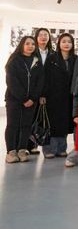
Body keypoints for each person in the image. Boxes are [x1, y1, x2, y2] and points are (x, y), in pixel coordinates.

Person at [5, 36, 45, 164]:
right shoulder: (14, 60)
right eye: (27, 43)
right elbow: (12, 81)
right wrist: (23, 98)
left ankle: (22, 150)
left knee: (26, 125)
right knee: (13, 125)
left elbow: (40, 82)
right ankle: (11, 152)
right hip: (14, 99)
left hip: (32, 101)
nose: (30, 46)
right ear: (22, 45)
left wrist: (33, 98)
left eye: (33, 44)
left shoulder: (37, 62)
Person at [42, 33, 76, 159]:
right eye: (64, 41)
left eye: (69, 42)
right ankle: (49, 149)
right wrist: (43, 94)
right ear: (59, 43)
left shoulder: (75, 59)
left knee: (64, 123)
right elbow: (45, 77)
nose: (66, 44)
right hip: (52, 96)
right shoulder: (52, 58)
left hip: (68, 96)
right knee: (51, 123)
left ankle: (62, 148)